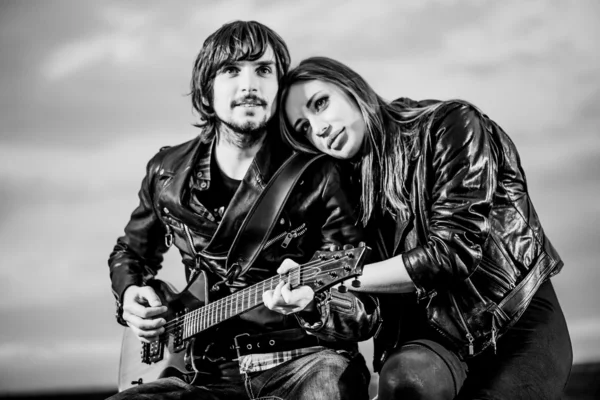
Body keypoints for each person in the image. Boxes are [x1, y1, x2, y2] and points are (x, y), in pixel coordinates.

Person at [107, 24, 380, 400]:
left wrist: (315, 304)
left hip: (306, 362)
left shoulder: (320, 172)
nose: (249, 84)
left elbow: (364, 308)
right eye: (232, 70)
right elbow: (130, 253)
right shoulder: (167, 172)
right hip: (204, 373)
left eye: (264, 70)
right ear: (207, 88)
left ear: (279, 87)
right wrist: (131, 294)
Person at [278, 56, 573, 399]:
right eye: (304, 128)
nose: (320, 129)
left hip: (510, 322)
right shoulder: (342, 193)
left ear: (350, 87)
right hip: (430, 343)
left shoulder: (452, 124)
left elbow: (454, 251)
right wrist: (313, 300)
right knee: (403, 379)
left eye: (320, 104)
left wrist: (341, 276)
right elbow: (365, 318)